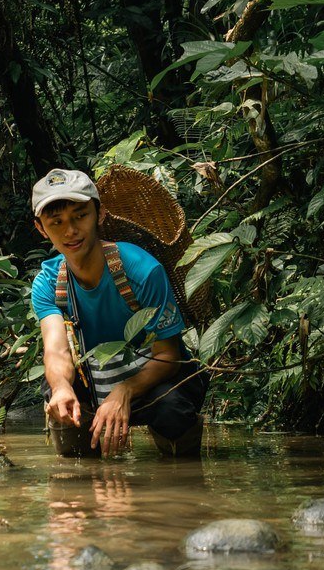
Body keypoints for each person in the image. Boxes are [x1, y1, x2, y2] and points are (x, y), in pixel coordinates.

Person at [29, 168, 208, 457]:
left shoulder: (141, 270)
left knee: (172, 412)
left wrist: (124, 390)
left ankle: (180, 460)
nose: (70, 231)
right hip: (94, 379)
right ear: (41, 228)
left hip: (155, 379)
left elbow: (169, 355)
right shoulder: (48, 282)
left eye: (80, 215)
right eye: (57, 222)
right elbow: (56, 351)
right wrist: (62, 386)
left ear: (99, 214)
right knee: (61, 407)